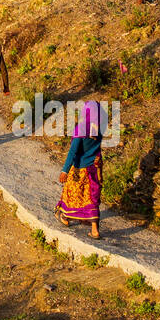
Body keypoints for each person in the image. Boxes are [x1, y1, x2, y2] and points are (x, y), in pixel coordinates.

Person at [56, 101, 103, 239]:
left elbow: (72, 152)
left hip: (79, 168)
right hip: (93, 169)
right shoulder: (98, 130)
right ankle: (95, 229)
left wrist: (65, 170)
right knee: (91, 197)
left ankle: (65, 217)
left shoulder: (81, 129)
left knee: (72, 195)